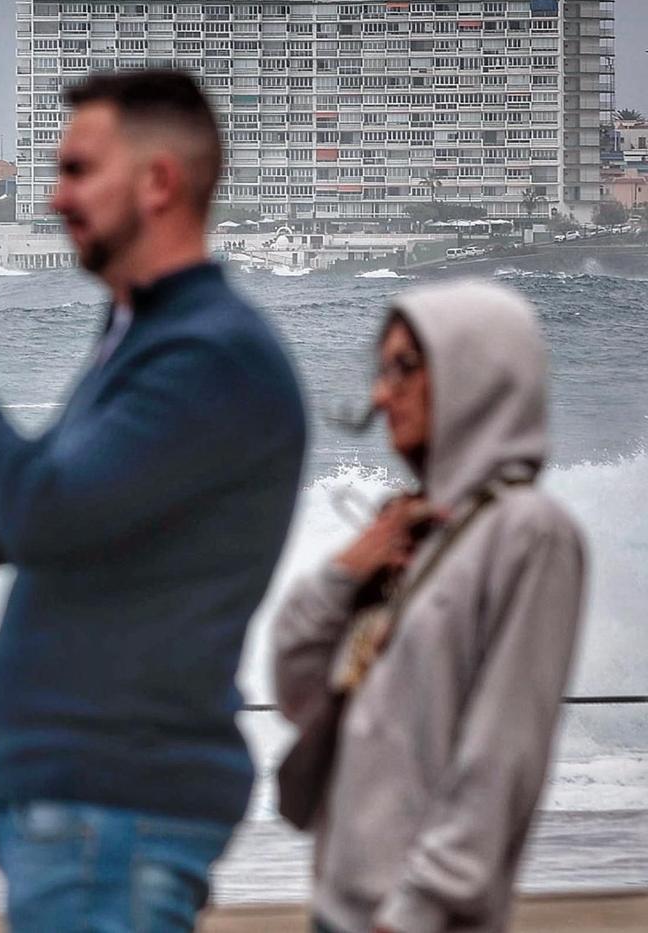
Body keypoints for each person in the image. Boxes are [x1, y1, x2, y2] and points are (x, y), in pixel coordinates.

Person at [0, 69, 306, 932]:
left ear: (159, 182)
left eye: (76, 170)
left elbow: (41, 511)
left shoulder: (207, 354)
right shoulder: (141, 338)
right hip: (86, 805)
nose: (56, 195)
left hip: (117, 805)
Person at [270, 281, 585, 933]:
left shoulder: (528, 533)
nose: (382, 395)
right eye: (381, 371)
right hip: (339, 910)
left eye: (405, 368)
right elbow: (295, 683)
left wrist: (419, 907)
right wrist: (344, 570)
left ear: (476, 374)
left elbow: (503, 750)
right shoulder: (412, 527)